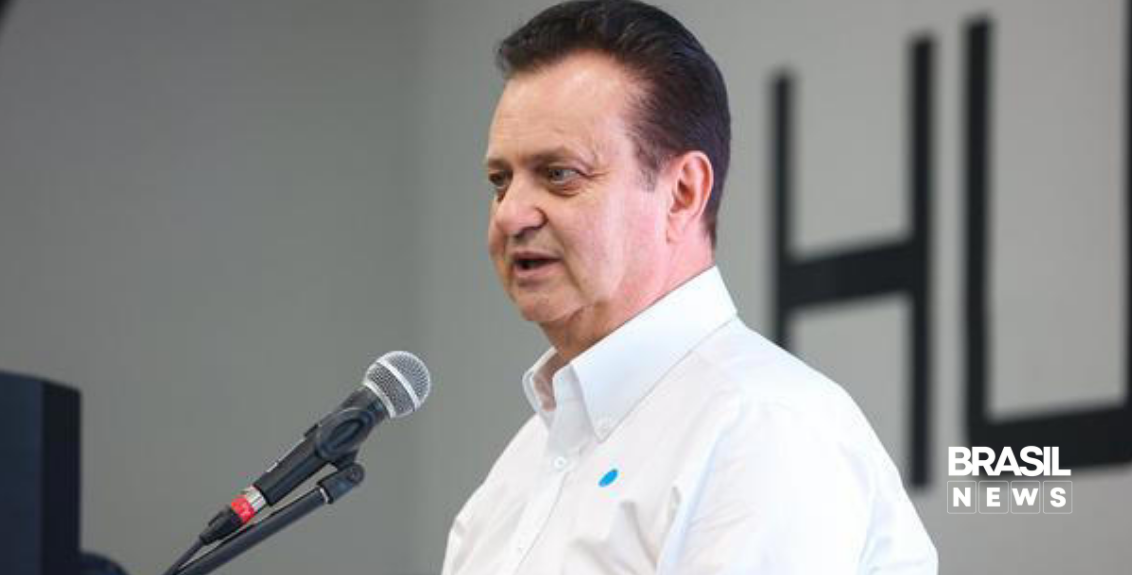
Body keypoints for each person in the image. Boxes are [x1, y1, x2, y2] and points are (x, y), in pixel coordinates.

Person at [441, 1, 938, 573]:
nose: (510, 214)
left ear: (683, 193)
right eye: (500, 181)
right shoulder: (519, 472)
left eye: (559, 175)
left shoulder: (762, 428)